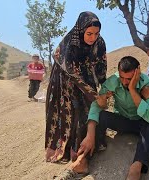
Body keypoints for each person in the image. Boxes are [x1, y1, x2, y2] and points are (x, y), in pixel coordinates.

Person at [45, 11, 107, 175]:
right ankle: (69, 149)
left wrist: (104, 87)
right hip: (64, 79)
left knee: (89, 110)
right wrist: (95, 96)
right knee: (72, 110)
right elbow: (73, 74)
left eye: (96, 33)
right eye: (89, 33)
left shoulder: (99, 43)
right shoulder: (70, 44)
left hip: (85, 74)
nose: (93, 37)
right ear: (81, 30)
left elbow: (101, 65)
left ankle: (87, 145)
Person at [74, 56, 149, 180]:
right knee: (101, 116)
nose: (124, 82)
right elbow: (97, 105)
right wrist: (90, 135)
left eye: (129, 79)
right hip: (122, 121)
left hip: (141, 123)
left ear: (137, 73)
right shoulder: (113, 81)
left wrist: (133, 90)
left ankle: (137, 166)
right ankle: (84, 159)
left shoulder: (147, 83)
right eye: (122, 77)